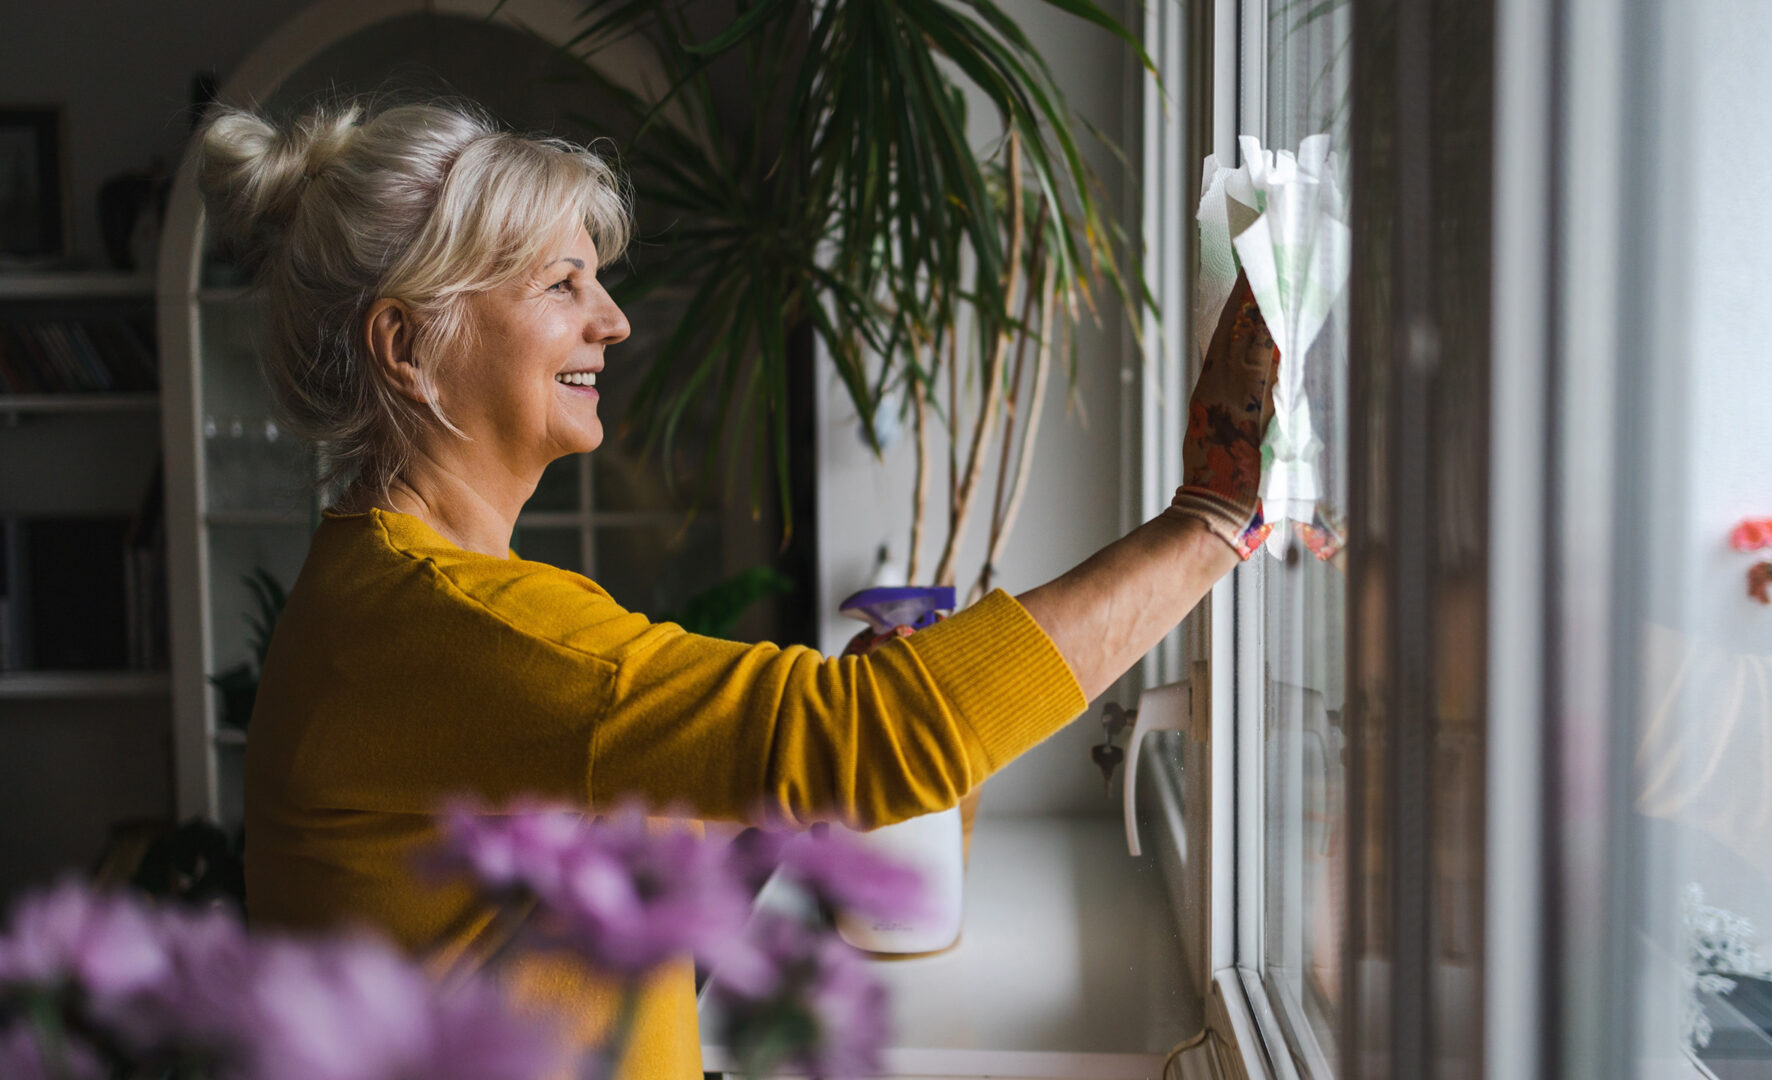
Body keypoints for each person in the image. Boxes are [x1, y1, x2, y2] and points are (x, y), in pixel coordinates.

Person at [197, 98, 1276, 1077]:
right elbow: (872, 743)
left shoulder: (398, 591)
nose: (611, 320)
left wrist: (769, 784)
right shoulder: (454, 623)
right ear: (408, 344)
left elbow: (554, 916)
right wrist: (1212, 518)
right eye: (561, 284)